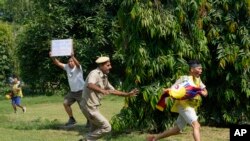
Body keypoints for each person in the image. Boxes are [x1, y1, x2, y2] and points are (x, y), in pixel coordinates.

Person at [80, 56, 139, 141]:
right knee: (106, 127)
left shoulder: (104, 76)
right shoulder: (94, 73)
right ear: (101, 66)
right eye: (108, 65)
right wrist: (102, 90)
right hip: (89, 107)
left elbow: (113, 91)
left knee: (94, 130)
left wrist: (127, 94)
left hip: (94, 107)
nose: (110, 67)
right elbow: (90, 85)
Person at [147, 60, 208, 141]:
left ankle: (154, 138)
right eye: (199, 69)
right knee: (196, 125)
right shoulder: (183, 79)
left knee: (177, 129)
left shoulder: (198, 80)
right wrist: (168, 91)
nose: (201, 71)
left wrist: (202, 92)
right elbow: (174, 88)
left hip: (191, 106)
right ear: (192, 69)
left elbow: (205, 91)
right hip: (184, 106)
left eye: (201, 69)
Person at [49, 51, 87, 126]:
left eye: (71, 61)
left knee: (83, 108)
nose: (70, 63)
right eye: (69, 61)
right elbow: (58, 63)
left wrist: (72, 56)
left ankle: (89, 121)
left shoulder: (78, 68)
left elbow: (78, 64)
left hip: (81, 91)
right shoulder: (67, 67)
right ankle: (72, 119)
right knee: (65, 103)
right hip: (72, 92)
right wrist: (52, 57)